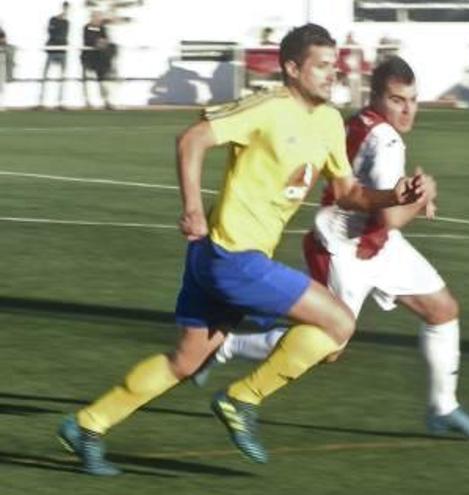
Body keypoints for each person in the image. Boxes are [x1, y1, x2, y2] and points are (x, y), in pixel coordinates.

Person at [56, 23, 435, 476]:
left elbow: (349, 193)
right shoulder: (268, 106)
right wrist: (193, 208)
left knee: (186, 359)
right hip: (233, 257)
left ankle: (88, 424)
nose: (331, 74)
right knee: (338, 323)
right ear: (292, 69)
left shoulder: (330, 121)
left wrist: (395, 195)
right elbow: (191, 139)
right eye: (320, 66)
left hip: (218, 257)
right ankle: (242, 399)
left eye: (334, 65)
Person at [192, 56, 469, 440]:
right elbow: (391, 218)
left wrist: (412, 195)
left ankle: (444, 408)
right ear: (377, 96)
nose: (408, 109)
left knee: (442, 309)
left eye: (413, 100)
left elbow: (375, 195)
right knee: (329, 345)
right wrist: (422, 198)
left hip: (377, 245)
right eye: (397, 100)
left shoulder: (359, 122)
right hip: (345, 251)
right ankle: (224, 348)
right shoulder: (384, 140)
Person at [81, 11, 114, 109]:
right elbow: (89, 40)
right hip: (88, 58)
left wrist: (101, 42)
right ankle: (87, 101)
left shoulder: (102, 28)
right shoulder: (87, 27)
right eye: (95, 17)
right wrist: (98, 42)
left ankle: (106, 101)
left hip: (99, 59)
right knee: (87, 80)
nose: (97, 19)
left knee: (102, 81)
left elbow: (106, 40)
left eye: (99, 17)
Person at [40, 1, 70, 109]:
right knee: (45, 76)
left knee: (62, 77)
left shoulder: (67, 22)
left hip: (62, 51)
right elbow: (51, 32)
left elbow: (63, 36)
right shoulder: (53, 19)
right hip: (52, 51)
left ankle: (60, 102)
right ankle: (41, 101)